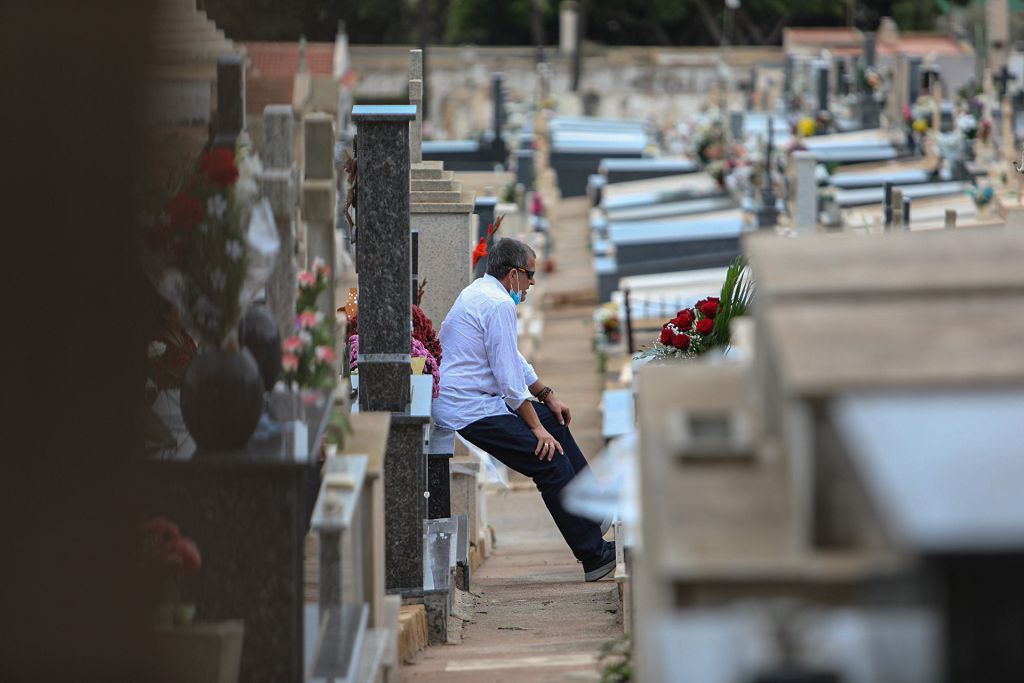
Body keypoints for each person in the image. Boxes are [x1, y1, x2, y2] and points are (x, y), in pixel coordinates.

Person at [433, 238, 616, 582]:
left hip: (479, 400)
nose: (533, 282)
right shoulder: (499, 304)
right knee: (548, 457)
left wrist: (547, 398)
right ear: (514, 274)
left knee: (556, 422)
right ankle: (594, 555)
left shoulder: (479, 291)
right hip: (468, 408)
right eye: (530, 275)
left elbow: (512, 359)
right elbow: (508, 381)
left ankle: (593, 512)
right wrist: (536, 428)